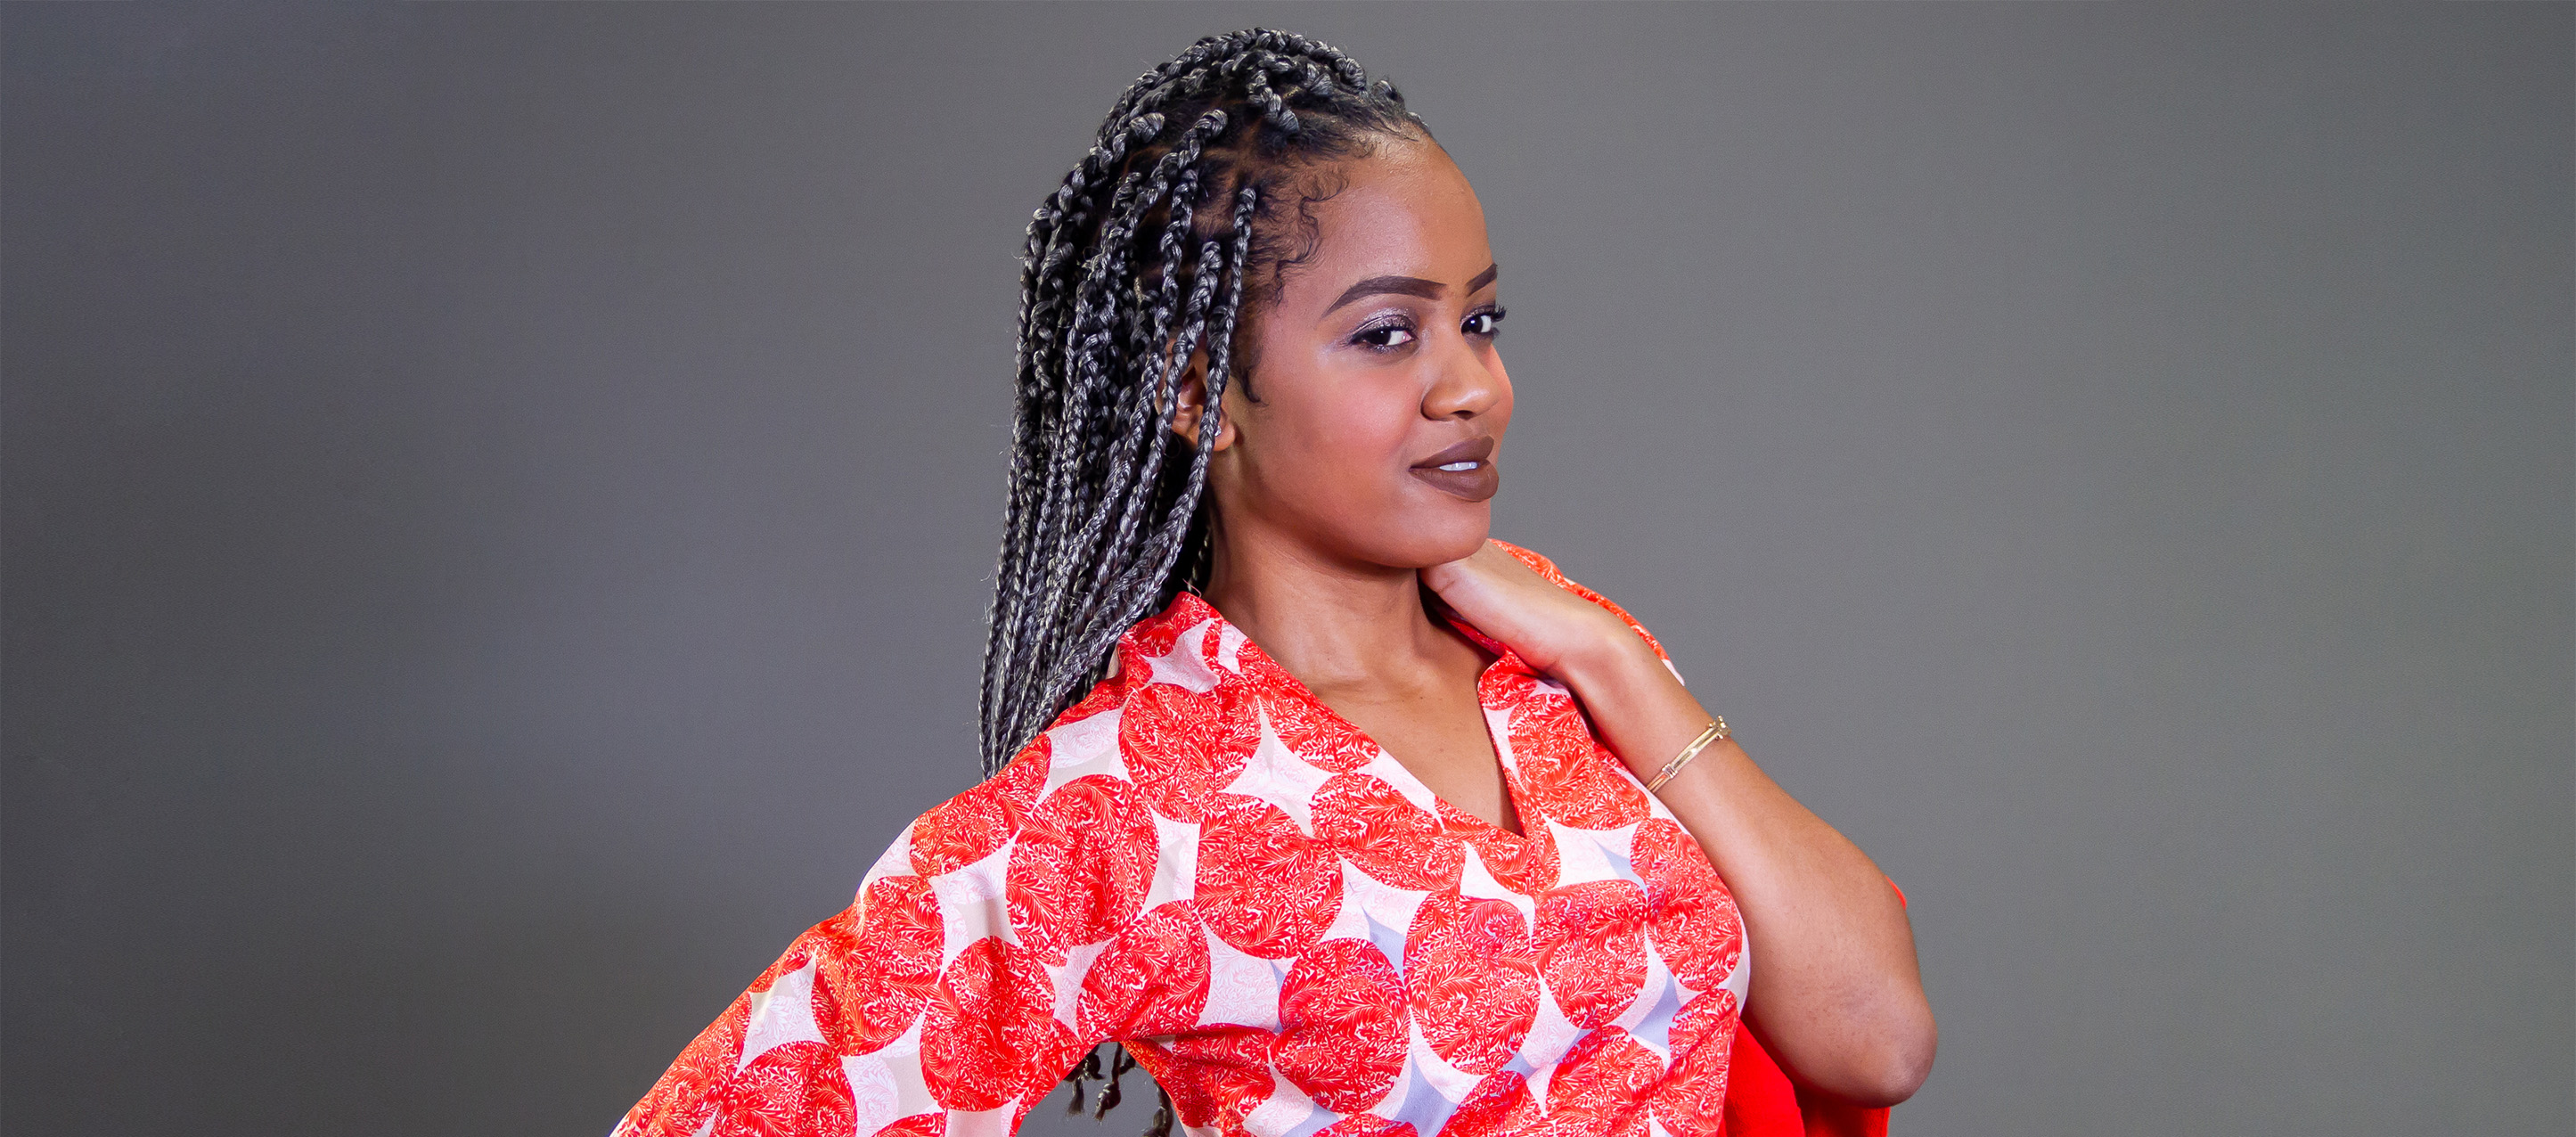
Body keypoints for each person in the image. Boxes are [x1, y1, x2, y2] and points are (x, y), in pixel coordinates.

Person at [615, 29, 1934, 1137]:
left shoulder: (1555, 649)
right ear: (1203, 392)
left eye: (1478, 321)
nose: (1472, 387)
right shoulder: (1129, 802)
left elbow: (1875, 1040)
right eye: (1387, 334)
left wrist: (1615, 663)